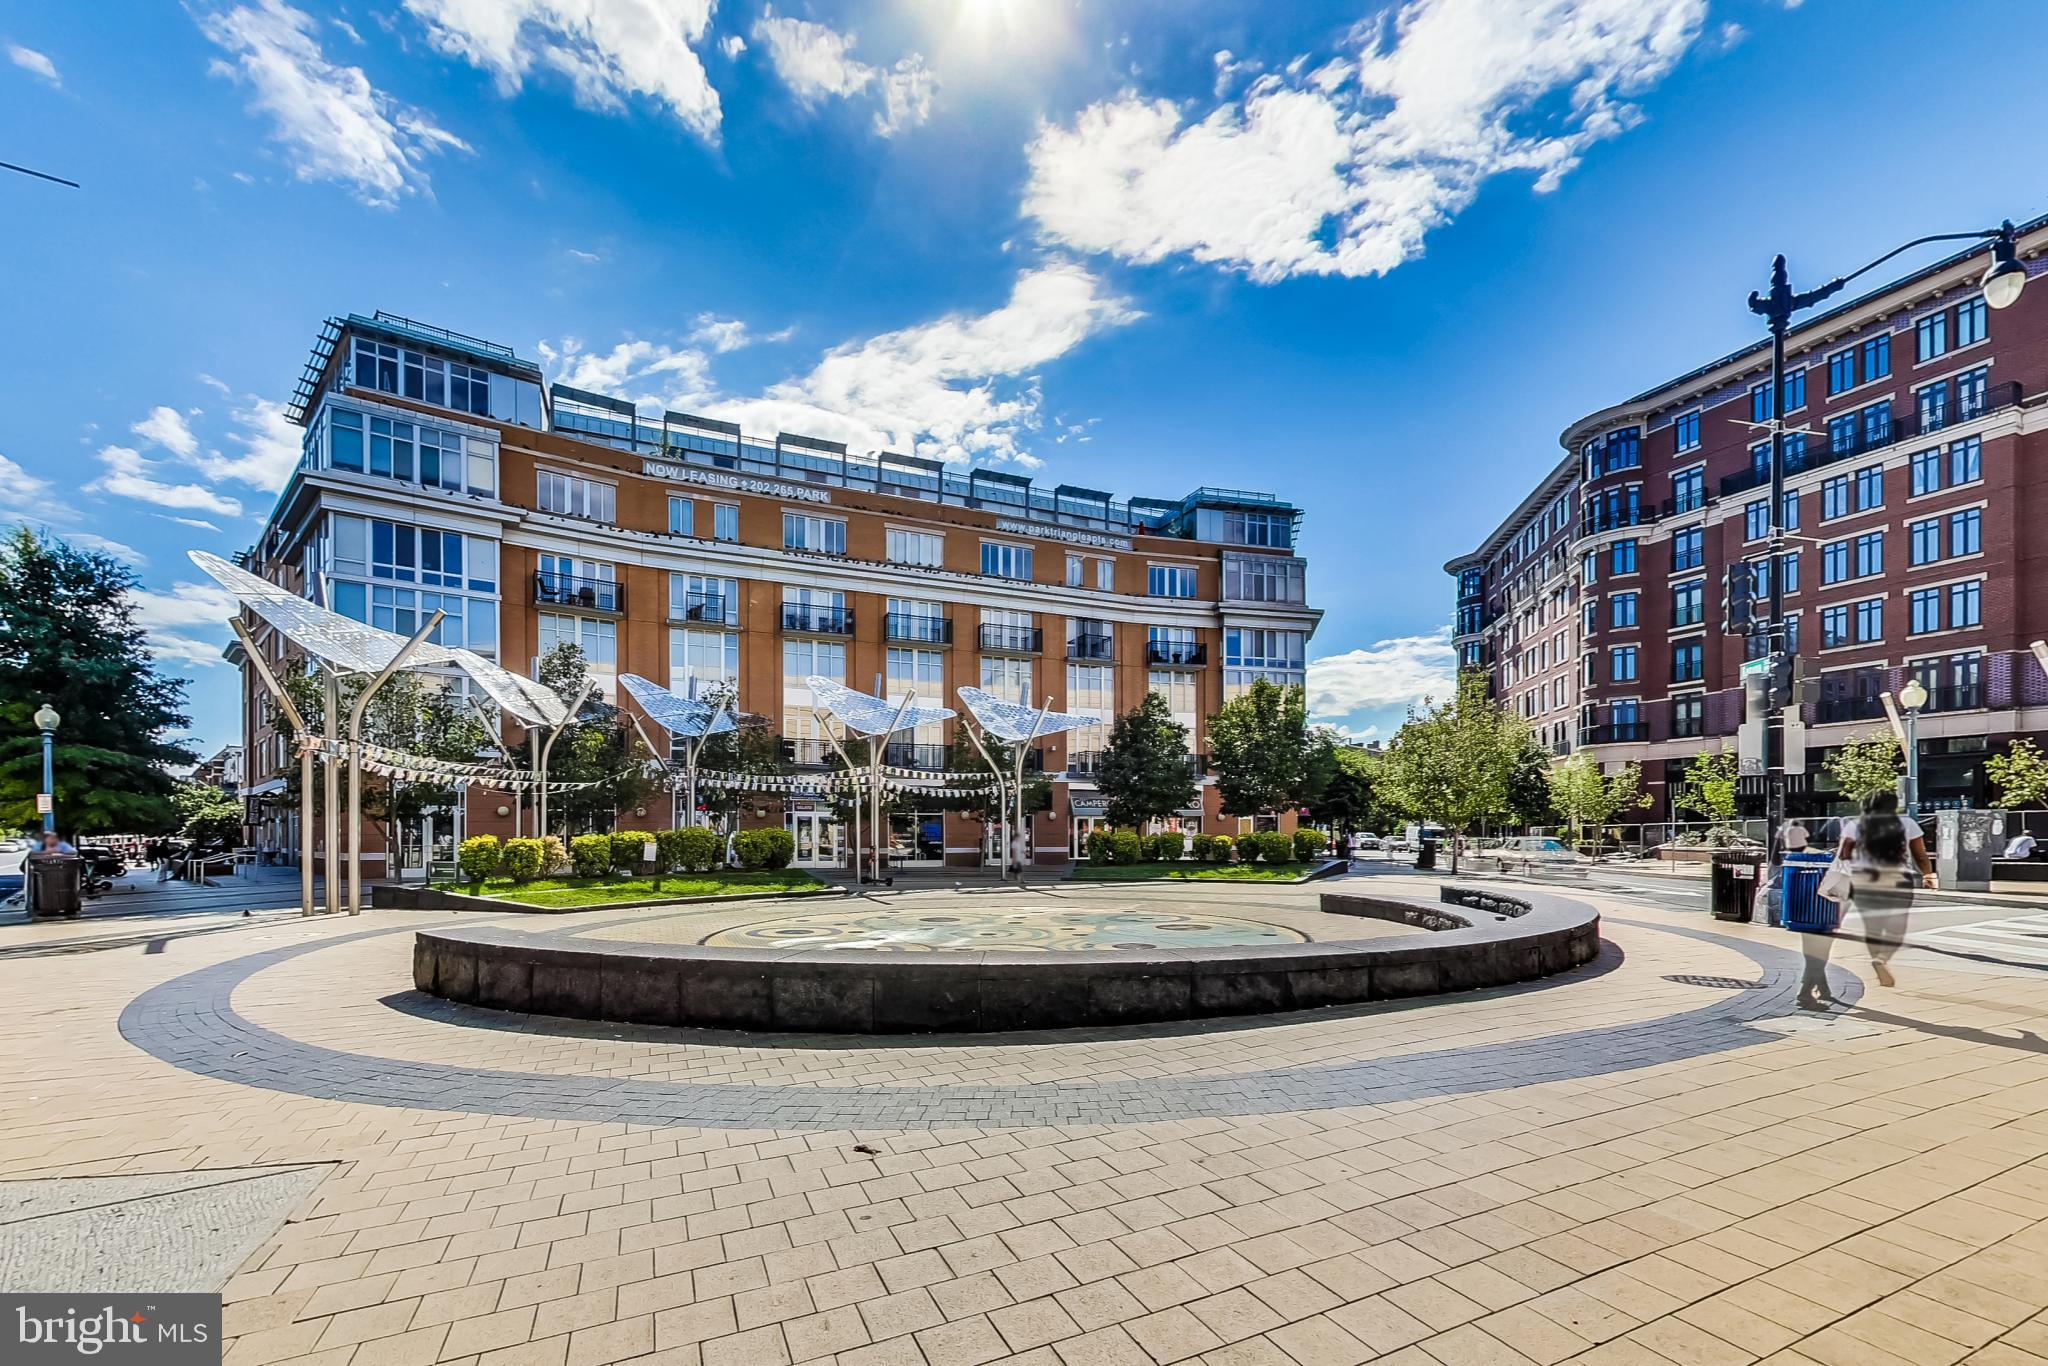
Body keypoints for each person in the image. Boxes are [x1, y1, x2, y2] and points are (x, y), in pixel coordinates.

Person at [1835, 790, 1931, 988]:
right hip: (1897, 879)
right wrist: (1929, 875)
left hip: (1863, 879)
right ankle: (1882, 959)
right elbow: (1920, 855)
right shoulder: (1908, 824)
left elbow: (1843, 855)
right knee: (1898, 926)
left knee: (1872, 927)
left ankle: (1877, 960)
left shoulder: (1855, 825)